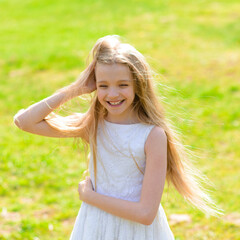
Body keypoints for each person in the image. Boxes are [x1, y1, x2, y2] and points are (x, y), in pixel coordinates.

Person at [13, 35, 223, 239]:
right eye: (103, 85)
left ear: (138, 85)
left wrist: (90, 197)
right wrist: (76, 89)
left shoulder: (153, 136)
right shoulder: (93, 125)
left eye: (122, 85)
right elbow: (24, 122)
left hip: (136, 233)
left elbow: (145, 214)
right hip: (96, 227)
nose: (112, 94)